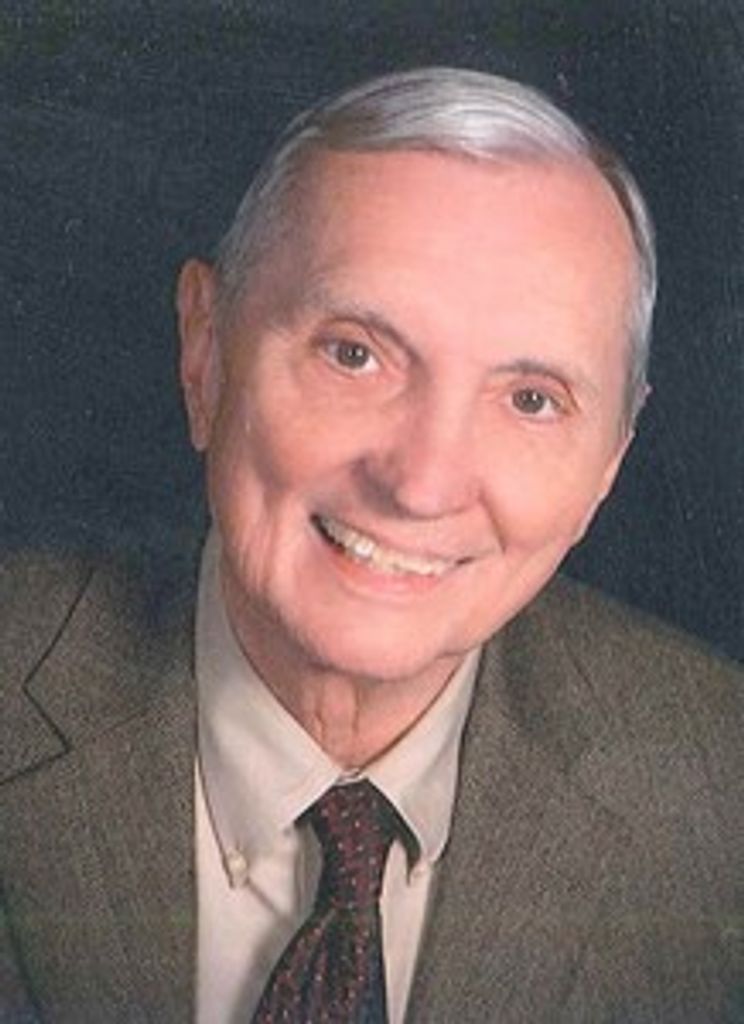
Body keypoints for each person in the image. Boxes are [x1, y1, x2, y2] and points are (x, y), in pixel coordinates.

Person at [1, 67, 742, 1024]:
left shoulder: (721, 796)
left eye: (531, 400)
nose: (421, 484)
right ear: (205, 351)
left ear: (610, 463)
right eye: (354, 353)